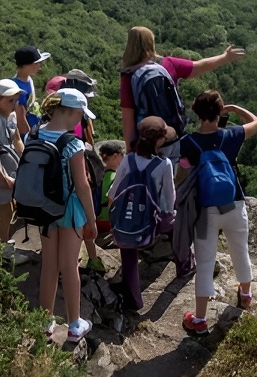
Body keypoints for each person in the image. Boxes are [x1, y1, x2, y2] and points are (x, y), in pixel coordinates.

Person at [180, 90, 257, 335]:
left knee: (205, 263)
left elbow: (179, 175)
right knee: (240, 250)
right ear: (219, 112)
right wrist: (234, 108)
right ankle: (245, 295)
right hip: (234, 204)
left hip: (206, 210)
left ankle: (199, 320)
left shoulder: (188, 142)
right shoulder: (231, 135)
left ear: (196, 112)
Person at [34, 89, 98, 343]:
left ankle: (44, 322)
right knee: (69, 266)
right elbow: (82, 185)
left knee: (49, 265)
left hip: (44, 209)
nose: (81, 120)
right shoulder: (73, 144)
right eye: (81, 115)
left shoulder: (34, 134)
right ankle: (74, 325)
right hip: (70, 210)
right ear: (71, 112)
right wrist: (91, 220)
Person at [118, 26, 246, 150]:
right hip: (172, 135)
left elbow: (128, 115)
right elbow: (198, 67)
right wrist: (225, 57)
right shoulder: (167, 63)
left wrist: (130, 149)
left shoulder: (129, 74)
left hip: (146, 144)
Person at [106, 119, 175, 312]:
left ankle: (133, 301)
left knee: (128, 256)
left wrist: (115, 218)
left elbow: (114, 191)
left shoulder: (128, 159)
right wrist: (168, 219)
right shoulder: (164, 164)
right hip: (151, 222)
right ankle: (185, 265)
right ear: (159, 140)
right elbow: (169, 198)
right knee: (176, 230)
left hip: (128, 219)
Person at [0, 78, 24, 241]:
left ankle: (0, 241)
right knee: (6, 212)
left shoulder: (12, 116)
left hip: (11, 166)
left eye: (16, 100)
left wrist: (26, 160)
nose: (14, 104)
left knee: (10, 210)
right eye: (10, 100)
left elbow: (17, 140)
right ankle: (0, 246)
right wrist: (0, 176)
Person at [12, 46, 50, 136]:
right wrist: (29, 137)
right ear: (28, 65)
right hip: (24, 134)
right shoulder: (17, 88)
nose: (39, 66)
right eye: (38, 63)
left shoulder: (28, 80)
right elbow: (20, 118)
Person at [96, 140, 126, 237]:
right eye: (122, 155)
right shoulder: (115, 177)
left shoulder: (99, 174)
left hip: (96, 218)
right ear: (115, 156)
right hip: (107, 222)